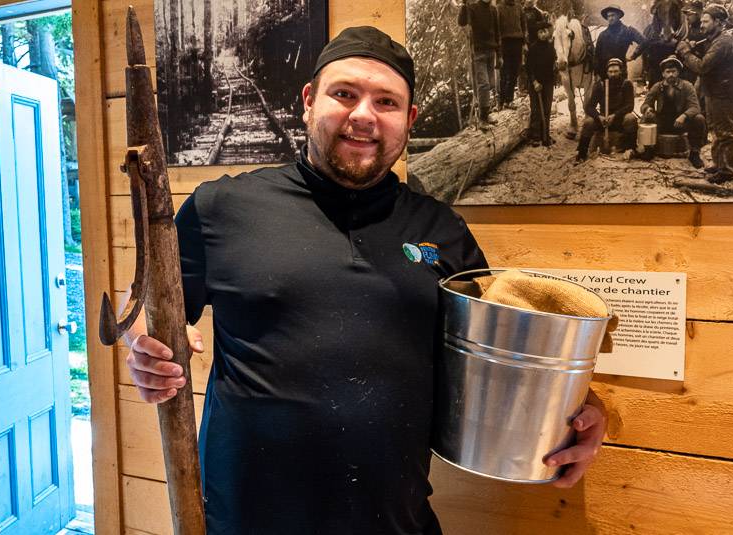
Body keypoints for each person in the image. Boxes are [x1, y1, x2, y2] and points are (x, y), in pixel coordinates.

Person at [124, 26, 607, 534]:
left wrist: (578, 413)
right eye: (345, 94)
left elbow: (497, 367)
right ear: (309, 102)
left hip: (396, 523)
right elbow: (147, 314)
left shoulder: (441, 229)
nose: (363, 116)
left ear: (409, 120)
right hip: (245, 521)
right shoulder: (222, 207)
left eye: (386, 102)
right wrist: (145, 351)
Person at [676, 3, 733, 183]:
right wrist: (694, 49)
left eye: (706, 21)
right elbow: (708, 61)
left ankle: (728, 171)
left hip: (723, 92)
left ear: (718, 22)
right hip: (715, 91)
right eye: (702, 21)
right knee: (716, 129)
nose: (702, 25)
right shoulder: (715, 40)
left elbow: (703, 66)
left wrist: (685, 51)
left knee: (726, 131)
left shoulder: (723, 42)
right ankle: (719, 164)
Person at [640, 55, 706, 168]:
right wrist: (648, 109)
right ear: (663, 74)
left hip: (680, 123)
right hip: (662, 122)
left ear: (678, 72)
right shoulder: (657, 86)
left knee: (699, 118)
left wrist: (684, 116)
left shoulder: (687, 86)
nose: (671, 74)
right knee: (646, 118)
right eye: (668, 72)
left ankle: (694, 153)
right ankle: (649, 149)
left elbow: (695, 107)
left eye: (673, 71)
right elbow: (644, 105)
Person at [576, 57, 637, 162]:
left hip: (619, 119)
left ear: (621, 71)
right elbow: (589, 107)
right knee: (589, 122)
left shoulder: (626, 84)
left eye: (616, 71)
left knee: (630, 118)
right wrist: (599, 117)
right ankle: (582, 153)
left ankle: (630, 149)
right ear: (607, 72)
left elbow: (630, 106)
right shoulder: (600, 85)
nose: (613, 74)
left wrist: (615, 115)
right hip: (604, 121)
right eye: (610, 72)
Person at [459, 0, 502, 125]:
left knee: (492, 84)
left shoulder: (493, 10)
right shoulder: (472, 8)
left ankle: (485, 114)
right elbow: (461, 22)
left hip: (491, 52)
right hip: (478, 52)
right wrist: (463, 6)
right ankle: (483, 117)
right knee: (484, 84)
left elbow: (497, 33)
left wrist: (499, 55)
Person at [525, 20, 557, 146]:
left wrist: (553, 77)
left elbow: (552, 65)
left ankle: (546, 135)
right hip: (536, 84)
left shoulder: (551, 48)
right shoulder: (533, 49)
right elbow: (528, 68)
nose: (543, 34)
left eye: (545, 31)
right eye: (540, 32)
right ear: (537, 34)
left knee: (547, 109)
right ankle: (536, 136)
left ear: (548, 32)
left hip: (548, 82)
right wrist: (534, 82)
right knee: (536, 109)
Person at [594, 4, 645, 80]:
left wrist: (633, 56)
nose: (610, 18)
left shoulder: (627, 31)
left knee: (622, 90)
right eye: (608, 16)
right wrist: (596, 73)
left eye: (613, 15)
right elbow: (597, 56)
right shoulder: (603, 35)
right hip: (604, 73)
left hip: (621, 71)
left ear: (619, 15)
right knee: (605, 91)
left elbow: (644, 41)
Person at [498, 0, 526, 109]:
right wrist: (498, 44)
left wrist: (524, 42)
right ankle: (501, 101)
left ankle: (508, 100)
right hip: (504, 42)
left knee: (515, 71)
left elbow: (523, 26)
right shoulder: (499, 8)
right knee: (504, 72)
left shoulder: (519, 8)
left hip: (517, 42)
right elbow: (497, 27)